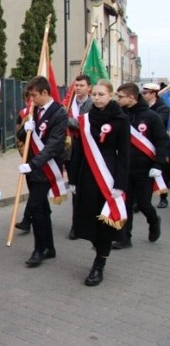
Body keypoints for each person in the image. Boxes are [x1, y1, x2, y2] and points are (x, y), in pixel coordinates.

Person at [68, 80, 130, 286]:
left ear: (111, 95)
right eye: (94, 94)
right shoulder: (84, 119)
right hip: (87, 174)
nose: (96, 98)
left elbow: (124, 155)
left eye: (101, 94)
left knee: (105, 222)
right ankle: (99, 246)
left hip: (109, 175)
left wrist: (120, 184)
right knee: (86, 218)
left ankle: (99, 264)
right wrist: (73, 178)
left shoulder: (120, 119)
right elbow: (77, 150)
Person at [15, 76, 67, 268]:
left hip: (46, 167)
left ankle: (39, 249)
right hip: (33, 167)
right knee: (42, 208)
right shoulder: (33, 111)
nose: (31, 100)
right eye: (30, 96)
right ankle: (49, 247)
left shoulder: (59, 113)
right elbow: (22, 136)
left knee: (36, 207)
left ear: (45, 93)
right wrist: (25, 128)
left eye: (34, 96)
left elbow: (54, 144)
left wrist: (33, 164)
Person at [113, 83, 163, 249]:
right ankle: (124, 238)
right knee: (125, 204)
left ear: (131, 97)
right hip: (125, 169)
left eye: (120, 97)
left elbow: (162, 141)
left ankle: (154, 220)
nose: (117, 100)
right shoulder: (120, 116)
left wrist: (158, 164)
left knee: (143, 204)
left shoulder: (151, 116)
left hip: (145, 170)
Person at [64, 75, 94, 240]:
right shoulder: (68, 102)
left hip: (88, 151)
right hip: (70, 151)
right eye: (76, 85)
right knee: (74, 187)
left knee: (87, 189)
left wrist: (66, 119)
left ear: (89, 88)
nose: (78, 88)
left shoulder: (92, 103)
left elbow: (85, 123)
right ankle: (76, 225)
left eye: (82, 85)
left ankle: (88, 221)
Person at [142, 82, 170, 209]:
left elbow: (159, 122)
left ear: (153, 94)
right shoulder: (142, 106)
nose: (143, 95)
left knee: (161, 172)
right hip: (143, 143)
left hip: (157, 143)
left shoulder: (162, 107)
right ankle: (141, 201)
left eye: (145, 93)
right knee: (142, 172)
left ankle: (163, 198)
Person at [14, 89, 33, 234]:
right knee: (34, 191)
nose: (30, 100)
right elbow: (18, 137)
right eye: (28, 97)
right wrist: (23, 154)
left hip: (41, 160)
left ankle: (27, 219)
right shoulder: (23, 114)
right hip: (28, 158)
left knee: (36, 193)